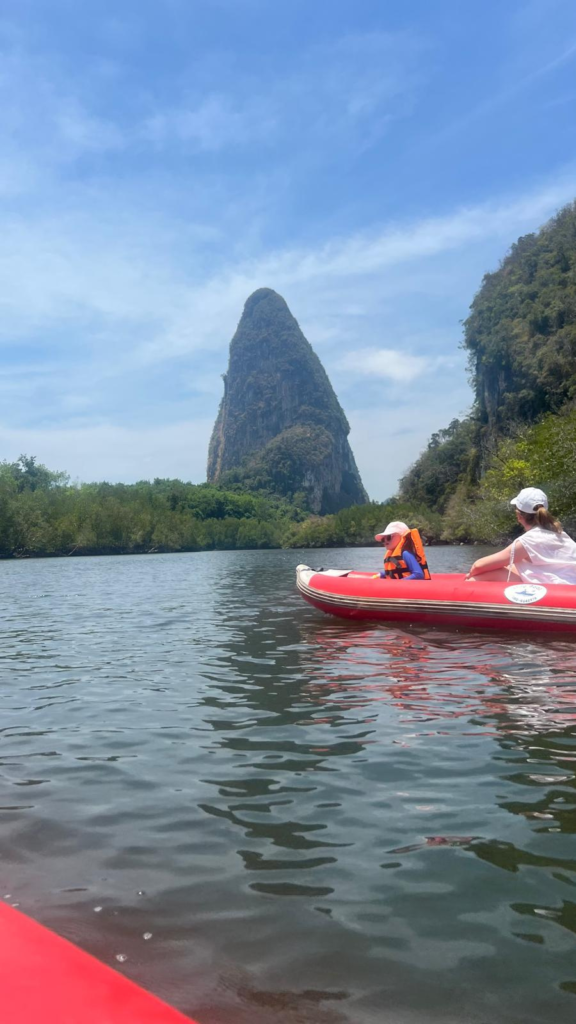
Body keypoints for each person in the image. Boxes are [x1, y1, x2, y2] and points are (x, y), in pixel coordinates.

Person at [466, 487, 576, 584]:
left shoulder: (529, 540)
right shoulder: (562, 535)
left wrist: (471, 575)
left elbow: (478, 566)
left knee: (483, 576)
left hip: (557, 595)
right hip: (569, 589)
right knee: (510, 567)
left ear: (519, 516)